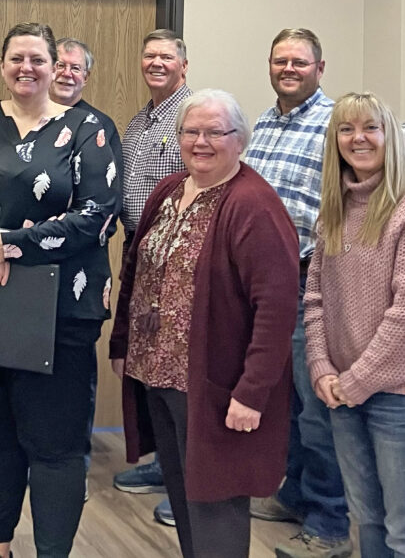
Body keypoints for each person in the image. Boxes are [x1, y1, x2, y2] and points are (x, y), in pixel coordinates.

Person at [0, 22, 118, 558]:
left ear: (57, 65)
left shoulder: (89, 130)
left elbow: (96, 217)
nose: (27, 68)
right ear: (3, 64)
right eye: (17, 58)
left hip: (59, 309)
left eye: (39, 59)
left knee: (53, 441)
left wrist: (12, 245)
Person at [110, 88, 298, 558]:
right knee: (182, 493)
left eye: (215, 132)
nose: (201, 141)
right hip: (159, 376)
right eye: (191, 131)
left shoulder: (254, 204)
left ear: (241, 140)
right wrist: (122, 343)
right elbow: (136, 269)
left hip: (217, 387)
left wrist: (252, 393)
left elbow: (275, 310)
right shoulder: (168, 190)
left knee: (216, 504)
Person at [244, 28, 351, 558]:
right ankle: (294, 494)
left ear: (320, 68)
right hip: (263, 282)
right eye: (280, 60)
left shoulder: (339, 124)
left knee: (316, 405)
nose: (289, 69)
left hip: (313, 279)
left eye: (300, 62)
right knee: (279, 396)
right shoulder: (262, 123)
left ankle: (331, 522)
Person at [306, 92, 405, 558]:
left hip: (396, 398)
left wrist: (355, 380)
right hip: (341, 392)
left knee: (401, 529)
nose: (358, 138)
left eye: (370, 128)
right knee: (364, 518)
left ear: (391, 137)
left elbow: (404, 312)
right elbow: (314, 300)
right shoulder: (333, 209)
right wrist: (322, 368)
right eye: (346, 129)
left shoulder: (404, 211)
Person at [114, 28, 193, 525]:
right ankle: (163, 463)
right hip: (138, 251)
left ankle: (185, 477)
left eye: (166, 56)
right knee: (145, 361)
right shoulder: (139, 121)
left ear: (184, 64)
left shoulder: (192, 117)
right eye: (149, 56)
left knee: (176, 368)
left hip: (178, 257)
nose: (156, 63)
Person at [49, 36, 123, 498]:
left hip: (79, 272)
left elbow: (105, 209)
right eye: (60, 64)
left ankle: (73, 459)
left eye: (77, 68)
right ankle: (36, 453)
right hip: (21, 272)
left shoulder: (99, 127)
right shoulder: (22, 120)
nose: (67, 73)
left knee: (75, 371)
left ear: (86, 76)